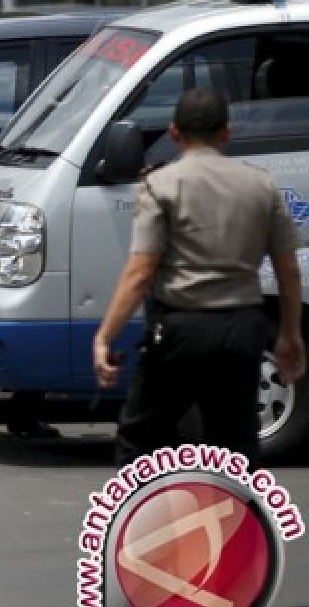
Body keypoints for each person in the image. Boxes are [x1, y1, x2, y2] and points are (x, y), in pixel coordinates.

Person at [94, 88, 305, 466]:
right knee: (236, 443)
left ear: (174, 133)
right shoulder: (260, 185)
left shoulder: (161, 186)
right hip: (242, 327)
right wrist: (290, 334)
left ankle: (140, 521)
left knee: (140, 437)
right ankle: (241, 521)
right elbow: (288, 270)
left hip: (181, 326)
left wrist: (106, 336)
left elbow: (140, 272)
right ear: (227, 133)